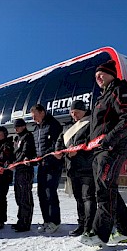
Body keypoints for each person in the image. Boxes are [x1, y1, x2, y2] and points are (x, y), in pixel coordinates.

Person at [79, 60, 127, 246]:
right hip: (100, 151)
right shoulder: (102, 97)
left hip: (113, 149)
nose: (98, 77)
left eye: (102, 73)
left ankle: (99, 234)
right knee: (108, 190)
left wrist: (108, 141)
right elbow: (97, 128)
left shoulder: (120, 90)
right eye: (96, 75)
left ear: (111, 74)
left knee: (105, 191)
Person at [55, 100, 96, 237]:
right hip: (72, 167)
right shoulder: (67, 127)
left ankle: (90, 227)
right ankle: (81, 224)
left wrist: (78, 150)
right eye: (72, 113)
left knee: (88, 197)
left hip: (87, 166)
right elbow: (60, 141)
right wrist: (59, 151)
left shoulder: (91, 123)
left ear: (84, 111)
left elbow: (93, 141)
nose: (74, 116)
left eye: (77, 112)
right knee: (79, 198)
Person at [30, 104, 64, 233]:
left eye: (35, 116)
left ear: (42, 112)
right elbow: (35, 147)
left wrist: (45, 155)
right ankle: (46, 220)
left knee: (50, 192)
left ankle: (54, 221)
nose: (34, 119)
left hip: (53, 164)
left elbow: (57, 144)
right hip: (41, 165)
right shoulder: (36, 129)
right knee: (41, 193)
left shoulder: (53, 125)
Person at [12, 119, 36, 232]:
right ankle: (20, 220)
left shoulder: (28, 136)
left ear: (23, 126)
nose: (16, 129)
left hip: (25, 170)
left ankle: (25, 222)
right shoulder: (16, 138)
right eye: (15, 127)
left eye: (18, 127)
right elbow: (15, 153)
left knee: (25, 196)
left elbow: (25, 152)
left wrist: (17, 161)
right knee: (18, 196)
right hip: (18, 169)